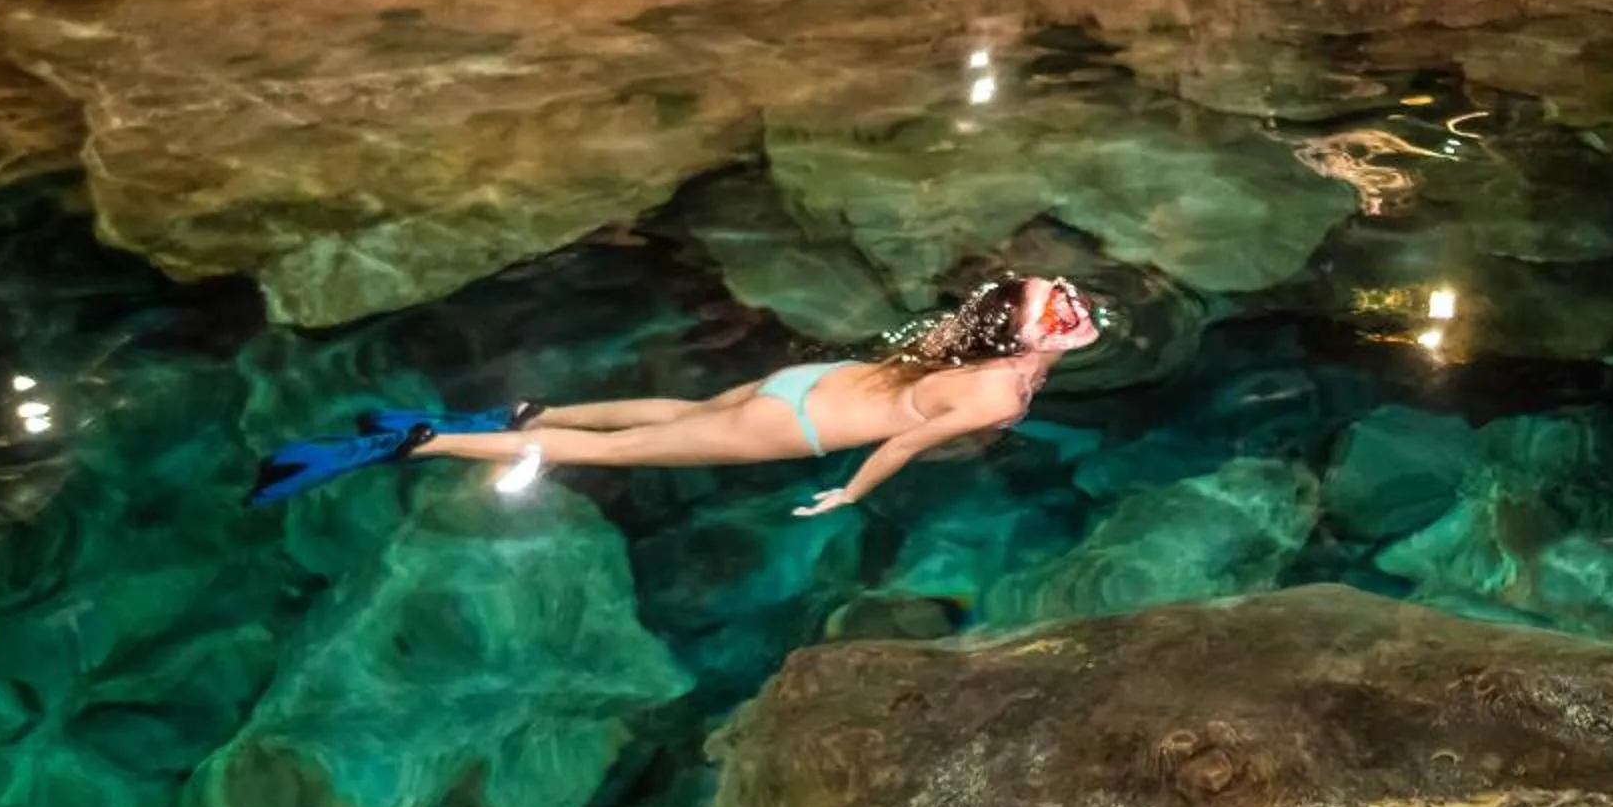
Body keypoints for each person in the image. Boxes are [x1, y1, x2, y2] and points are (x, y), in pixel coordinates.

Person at [246, 275, 1102, 512]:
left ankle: (520, 415)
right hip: (798, 425)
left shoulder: (988, 350)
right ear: (1023, 340)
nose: (1073, 307)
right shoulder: (1001, 393)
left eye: (1067, 297)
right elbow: (905, 444)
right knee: (615, 453)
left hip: (803, 384)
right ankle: (419, 444)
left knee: (677, 415)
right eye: (1056, 305)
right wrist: (849, 492)